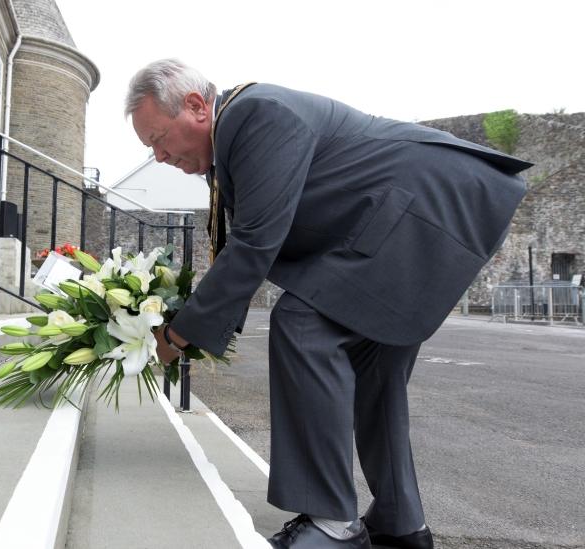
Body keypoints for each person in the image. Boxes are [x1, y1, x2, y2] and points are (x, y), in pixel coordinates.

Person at [127, 59, 531, 548]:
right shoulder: (239, 129)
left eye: (157, 139)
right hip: (421, 211)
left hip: (419, 210)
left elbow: (256, 241)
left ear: (195, 107)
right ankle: (402, 526)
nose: (159, 156)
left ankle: (332, 524)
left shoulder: (255, 115)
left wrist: (176, 336)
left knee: (303, 324)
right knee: (374, 368)